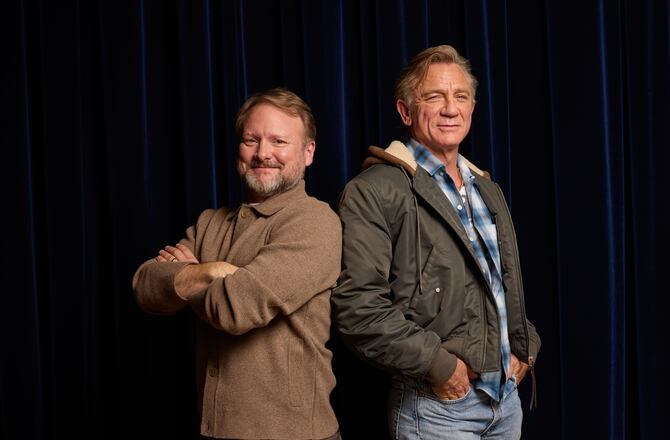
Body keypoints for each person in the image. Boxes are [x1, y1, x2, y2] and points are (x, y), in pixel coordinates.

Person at [332, 45, 540, 439]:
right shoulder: (374, 190)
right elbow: (358, 308)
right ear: (405, 111)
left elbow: (499, 286)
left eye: (460, 96)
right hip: (436, 407)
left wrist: (525, 344)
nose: (450, 108)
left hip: (505, 403)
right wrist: (442, 368)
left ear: (473, 108)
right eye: (434, 97)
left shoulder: (486, 188)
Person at [133, 88, 341, 440]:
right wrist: (211, 271)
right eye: (251, 140)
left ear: (308, 153)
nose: (262, 154)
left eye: (279, 141)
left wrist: (183, 280)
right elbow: (145, 286)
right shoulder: (210, 222)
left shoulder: (316, 222)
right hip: (214, 430)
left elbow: (236, 309)